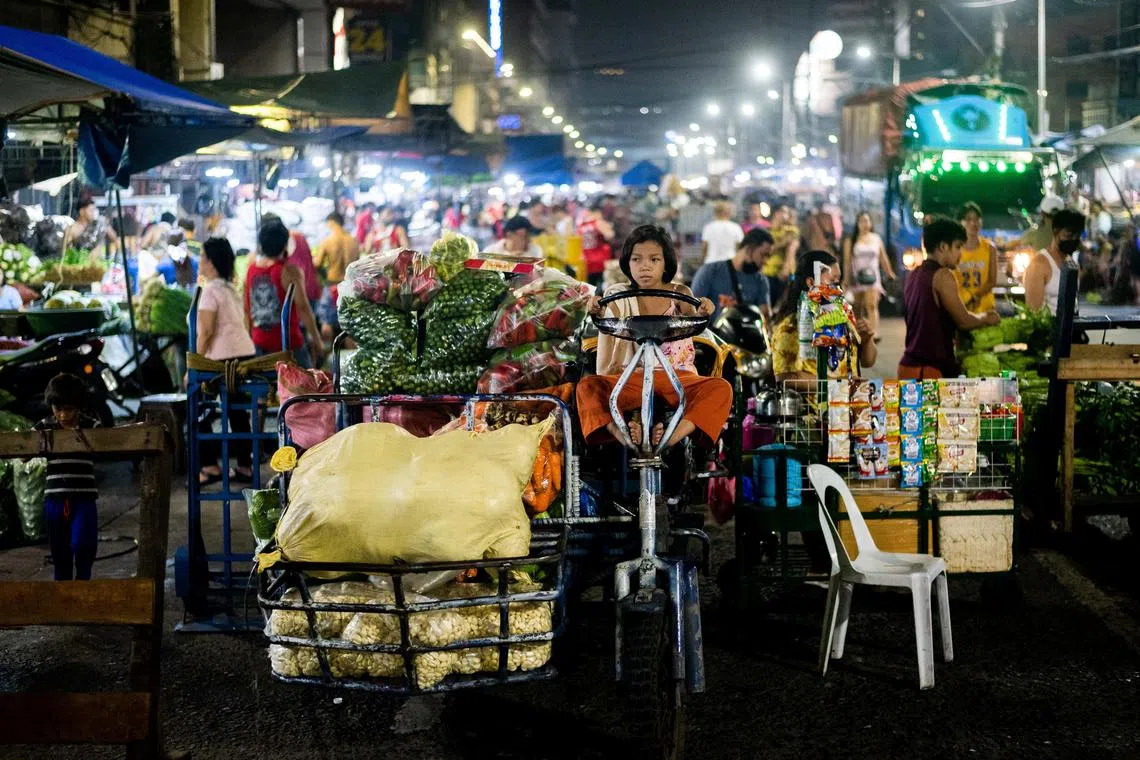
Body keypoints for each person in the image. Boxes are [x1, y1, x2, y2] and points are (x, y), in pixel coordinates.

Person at [577, 225, 730, 449]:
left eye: (654, 260)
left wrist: (703, 309)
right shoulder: (618, 295)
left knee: (721, 388)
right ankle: (625, 436)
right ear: (627, 264)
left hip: (678, 377)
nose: (644, 266)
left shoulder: (680, 294)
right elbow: (609, 315)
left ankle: (671, 436)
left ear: (666, 263)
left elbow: (693, 315)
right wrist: (598, 310)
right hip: (633, 377)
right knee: (586, 387)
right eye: (637, 260)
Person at [899, 217, 1001, 379]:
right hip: (929, 371)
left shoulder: (914, 274)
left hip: (908, 367)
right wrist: (986, 318)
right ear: (943, 247)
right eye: (958, 247)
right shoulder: (943, 275)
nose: (961, 254)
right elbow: (964, 320)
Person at [196, 238, 257, 486]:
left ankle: (210, 465)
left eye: (201, 257)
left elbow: (207, 331)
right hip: (244, 355)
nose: (199, 261)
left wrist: (195, 364)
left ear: (210, 263)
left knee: (197, 406)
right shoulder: (230, 288)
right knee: (237, 412)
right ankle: (244, 466)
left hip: (222, 360)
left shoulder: (210, 290)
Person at [772, 250, 878, 384]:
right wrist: (840, 384)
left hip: (847, 402)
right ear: (811, 282)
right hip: (814, 404)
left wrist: (867, 339)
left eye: (838, 281)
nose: (838, 288)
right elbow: (786, 378)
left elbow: (868, 362)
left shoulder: (843, 316)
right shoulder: (790, 328)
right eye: (833, 281)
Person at [35, 373, 102, 581]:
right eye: (58, 409)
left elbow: (110, 443)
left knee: (84, 544)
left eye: (69, 409)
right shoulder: (44, 426)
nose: (63, 415)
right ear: (52, 406)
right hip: (54, 499)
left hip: (83, 498)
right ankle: (62, 594)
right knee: (59, 550)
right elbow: (23, 453)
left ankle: (83, 585)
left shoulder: (92, 426)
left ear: (79, 406)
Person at [244, 220, 323, 367]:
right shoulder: (289, 271)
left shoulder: (251, 270)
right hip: (288, 346)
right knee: (307, 386)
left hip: (259, 344)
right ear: (285, 244)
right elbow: (303, 308)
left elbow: (247, 308)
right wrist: (317, 341)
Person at [690, 227, 773, 321]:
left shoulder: (761, 280)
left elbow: (764, 317)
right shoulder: (710, 271)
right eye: (763, 255)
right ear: (749, 249)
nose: (766, 261)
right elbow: (691, 310)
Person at [842, 211, 896, 336]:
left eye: (867, 221)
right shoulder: (851, 240)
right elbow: (847, 261)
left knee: (871, 305)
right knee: (857, 307)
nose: (864, 224)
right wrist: (846, 278)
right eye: (861, 221)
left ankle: (873, 333)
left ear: (871, 223)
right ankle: (857, 332)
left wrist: (890, 273)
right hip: (857, 278)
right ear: (857, 224)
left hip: (873, 278)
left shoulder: (876, 239)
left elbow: (883, 258)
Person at [1024, 208, 1086, 316]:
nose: (1073, 240)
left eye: (1077, 237)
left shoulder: (1074, 265)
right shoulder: (1039, 264)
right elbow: (1033, 311)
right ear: (1055, 231)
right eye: (1068, 236)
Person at [313, 212, 360, 342]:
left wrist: (323, 275)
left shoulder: (327, 242)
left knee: (327, 322)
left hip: (332, 284)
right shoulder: (353, 241)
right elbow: (357, 265)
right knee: (350, 326)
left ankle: (329, 357)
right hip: (349, 286)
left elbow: (317, 264)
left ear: (332, 222)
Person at [954, 202, 999, 313]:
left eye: (977, 219)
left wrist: (975, 297)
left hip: (985, 308)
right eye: (968, 219)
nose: (973, 223)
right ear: (960, 222)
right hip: (961, 308)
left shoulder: (990, 248)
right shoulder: (955, 248)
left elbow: (992, 281)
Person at [578, 201, 616, 287]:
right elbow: (609, 235)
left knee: (590, 287)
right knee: (603, 286)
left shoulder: (581, 225)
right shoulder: (598, 223)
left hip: (587, 261)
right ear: (597, 212)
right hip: (600, 260)